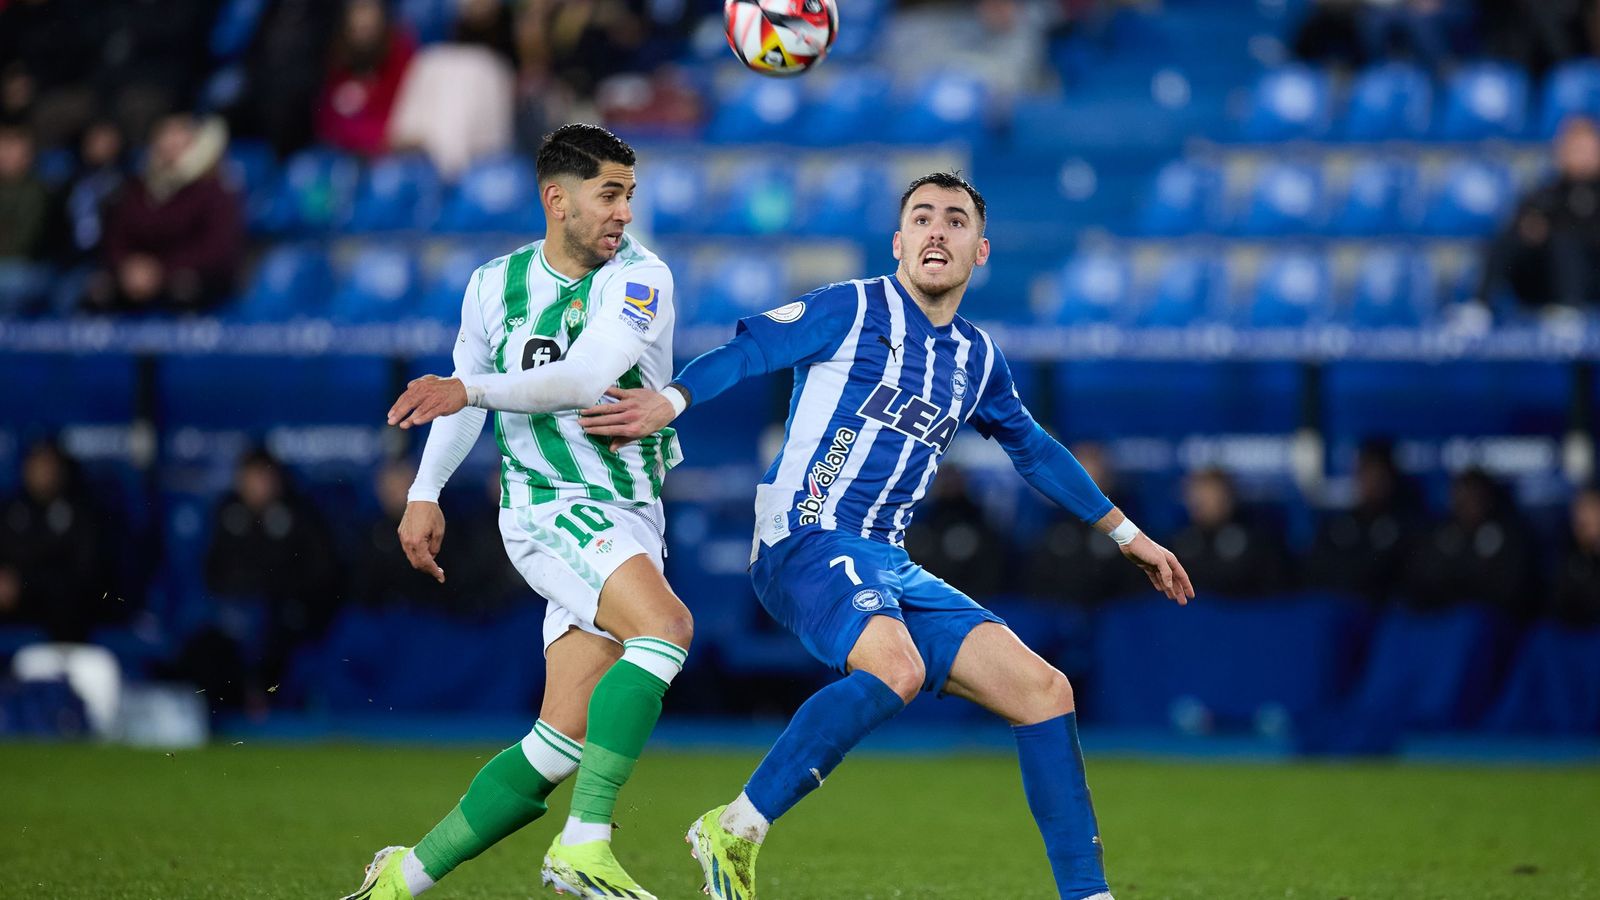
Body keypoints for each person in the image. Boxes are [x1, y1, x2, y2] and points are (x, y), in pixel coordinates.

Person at [581, 171, 1194, 900]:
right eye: (923, 218)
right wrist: (672, 399)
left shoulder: (976, 357)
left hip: (887, 560)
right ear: (899, 241)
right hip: (804, 537)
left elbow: (1031, 446)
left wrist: (1130, 536)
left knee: (1044, 690)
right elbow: (748, 351)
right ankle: (735, 827)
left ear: (981, 250)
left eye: (956, 220)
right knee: (896, 669)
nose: (938, 230)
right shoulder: (852, 308)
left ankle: (1089, 897)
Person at [345, 124, 691, 900]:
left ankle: (402, 877)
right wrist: (426, 492)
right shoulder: (492, 284)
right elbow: (460, 402)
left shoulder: (642, 279)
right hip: (549, 504)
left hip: (631, 511)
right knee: (666, 630)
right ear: (555, 198)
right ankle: (585, 843)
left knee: (560, 740)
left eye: (630, 195)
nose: (623, 213)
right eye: (609, 194)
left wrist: (468, 389)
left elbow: (582, 377)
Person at [198, 447, 338, 708]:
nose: (258, 485)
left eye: (264, 477)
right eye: (251, 477)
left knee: (267, 628)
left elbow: (319, 571)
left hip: (283, 614)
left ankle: (263, 701)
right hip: (230, 610)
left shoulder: (299, 514)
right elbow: (210, 570)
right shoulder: (226, 512)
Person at [90, 113, 244, 312]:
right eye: (165, 134)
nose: (170, 142)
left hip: (191, 279)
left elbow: (217, 249)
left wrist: (161, 270)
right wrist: (127, 267)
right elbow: (115, 236)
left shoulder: (215, 190)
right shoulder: (136, 188)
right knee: (98, 291)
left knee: (184, 290)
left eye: (179, 134)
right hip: (135, 279)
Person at [1477, 115, 1600, 316]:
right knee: (1509, 235)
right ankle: (1480, 307)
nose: (1579, 157)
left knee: (1565, 239)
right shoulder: (1545, 193)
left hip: (1590, 282)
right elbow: (1524, 223)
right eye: (1573, 149)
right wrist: (1532, 231)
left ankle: (1569, 310)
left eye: (1585, 149)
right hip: (1542, 282)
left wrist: (1555, 227)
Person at [0, 439, 112, 642]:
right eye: (37, 465)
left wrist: (24, 585)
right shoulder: (10, 511)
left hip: (62, 613)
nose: (44, 473)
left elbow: (85, 572)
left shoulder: (82, 512)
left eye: (49, 465)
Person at [1403, 467, 1538, 615]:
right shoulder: (1443, 533)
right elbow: (1421, 580)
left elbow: (1508, 591)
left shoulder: (1510, 537)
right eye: (1462, 498)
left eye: (1475, 497)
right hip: (1444, 616)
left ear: (1488, 499)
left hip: (1487, 618)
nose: (1468, 504)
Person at [1304, 440, 1419, 604]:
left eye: (1378, 474)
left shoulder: (1407, 527)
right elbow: (1315, 571)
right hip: (1338, 613)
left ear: (1390, 478)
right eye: (1365, 473)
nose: (1371, 482)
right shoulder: (1338, 526)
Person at [1169, 466, 1294, 598]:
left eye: (1211, 492)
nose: (1202, 500)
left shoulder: (1259, 545)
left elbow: (1276, 596)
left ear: (1227, 496)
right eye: (1197, 493)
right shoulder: (1176, 546)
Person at [315, 0, 416, 158]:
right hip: (343, 156)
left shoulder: (401, 57)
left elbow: (402, 121)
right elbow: (328, 123)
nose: (363, 19)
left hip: (389, 157)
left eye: (368, 10)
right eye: (357, 11)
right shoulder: (336, 60)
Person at [1549, 486, 1600, 627]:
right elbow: (1559, 600)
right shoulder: (1568, 551)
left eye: (1591, 510)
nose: (1582, 519)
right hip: (1575, 628)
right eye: (1579, 511)